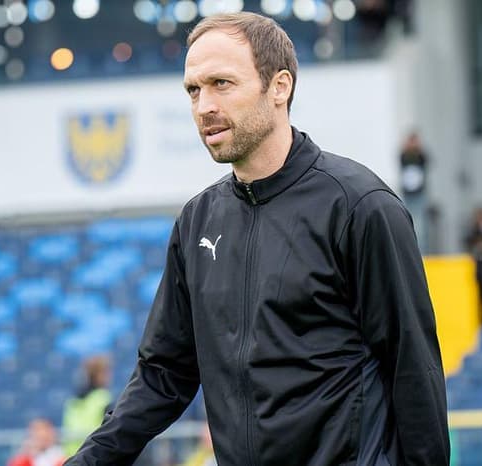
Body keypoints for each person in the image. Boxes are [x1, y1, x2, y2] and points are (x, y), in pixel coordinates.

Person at [65, 12, 448, 466]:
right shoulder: (197, 223)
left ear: (279, 87)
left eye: (221, 84)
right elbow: (163, 375)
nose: (203, 106)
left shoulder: (359, 206)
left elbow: (413, 370)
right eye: (193, 90)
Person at [61, 356, 112, 456]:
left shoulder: (72, 401)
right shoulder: (103, 398)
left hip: (72, 457)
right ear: (99, 375)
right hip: (93, 456)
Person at [399, 131, 429, 252]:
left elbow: (425, 160)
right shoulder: (404, 156)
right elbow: (401, 158)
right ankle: (409, 248)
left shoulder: (420, 156)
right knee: (407, 220)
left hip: (419, 194)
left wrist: (418, 149)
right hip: (408, 194)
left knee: (420, 224)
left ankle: (422, 250)